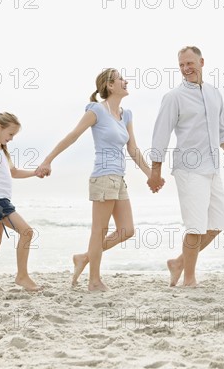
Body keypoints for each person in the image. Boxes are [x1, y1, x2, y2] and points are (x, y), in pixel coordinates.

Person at [36, 69, 163, 291]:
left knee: (127, 230)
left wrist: (151, 175)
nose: (126, 81)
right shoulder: (96, 110)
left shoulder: (127, 114)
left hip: (119, 178)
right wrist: (48, 160)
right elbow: (73, 136)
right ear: (110, 86)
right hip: (103, 176)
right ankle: (94, 280)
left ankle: (84, 257)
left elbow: (133, 149)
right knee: (99, 230)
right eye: (120, 78)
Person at [148, 46, 224, 287]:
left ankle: (178, 262)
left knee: (217, 225)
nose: (186, 69)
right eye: (182, 65)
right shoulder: (174, 97)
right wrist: (155, 171)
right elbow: (160, 135)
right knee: (195, 227)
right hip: (189, 168)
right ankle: (189, 279)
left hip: (213, 167)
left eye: (190, 63)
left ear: (202, 62)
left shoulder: (215, 94)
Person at [0, 112, 41, 294]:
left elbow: (14, 172)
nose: (11, 139)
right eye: (10, 134)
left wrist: (35, 172)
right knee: (27, 232)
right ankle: (22, 276)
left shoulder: (2, 151)